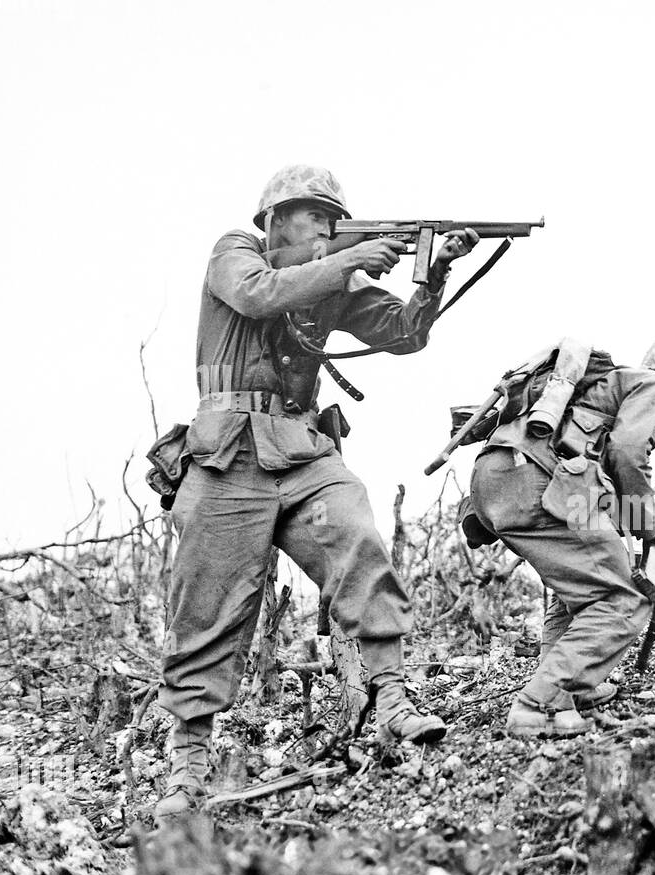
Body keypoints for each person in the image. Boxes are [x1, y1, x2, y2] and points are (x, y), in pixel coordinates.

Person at [155, 165, 478, 823]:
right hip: (228, 459)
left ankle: (390, 698)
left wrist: (434, 270)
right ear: (276, 220)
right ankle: (185, 777)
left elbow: (403, 333)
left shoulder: (334, 278)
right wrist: (352, 258)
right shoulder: (236, 253)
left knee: (358, 537)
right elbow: (257, 295)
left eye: (335, 217)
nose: (328, 227)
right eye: (315, 216)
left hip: (300, 450)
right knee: (206, 609)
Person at [467, 333, 655, 735]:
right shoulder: (654, 386)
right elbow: (627, 453)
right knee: (622, 597)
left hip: (496, 478)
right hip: (537, 479)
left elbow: (604, 464)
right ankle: (541, 703)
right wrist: (650, 522)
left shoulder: (607, 392)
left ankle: (570, 690)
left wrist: (626, 514)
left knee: (583, 588)